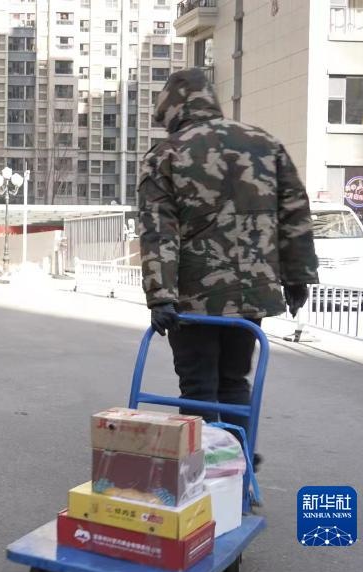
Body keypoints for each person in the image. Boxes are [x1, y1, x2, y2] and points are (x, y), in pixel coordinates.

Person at [138, 68, 319, 447]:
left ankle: (204, 468)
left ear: (172, 108)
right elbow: (294, 212)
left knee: (197, 387)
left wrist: (161, 296)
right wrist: (298, 276)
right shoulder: (264, 143)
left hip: (193, 298)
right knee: (234, 381)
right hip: (251, 294)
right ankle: (241, 462)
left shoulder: (166, 154)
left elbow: (159, 230)